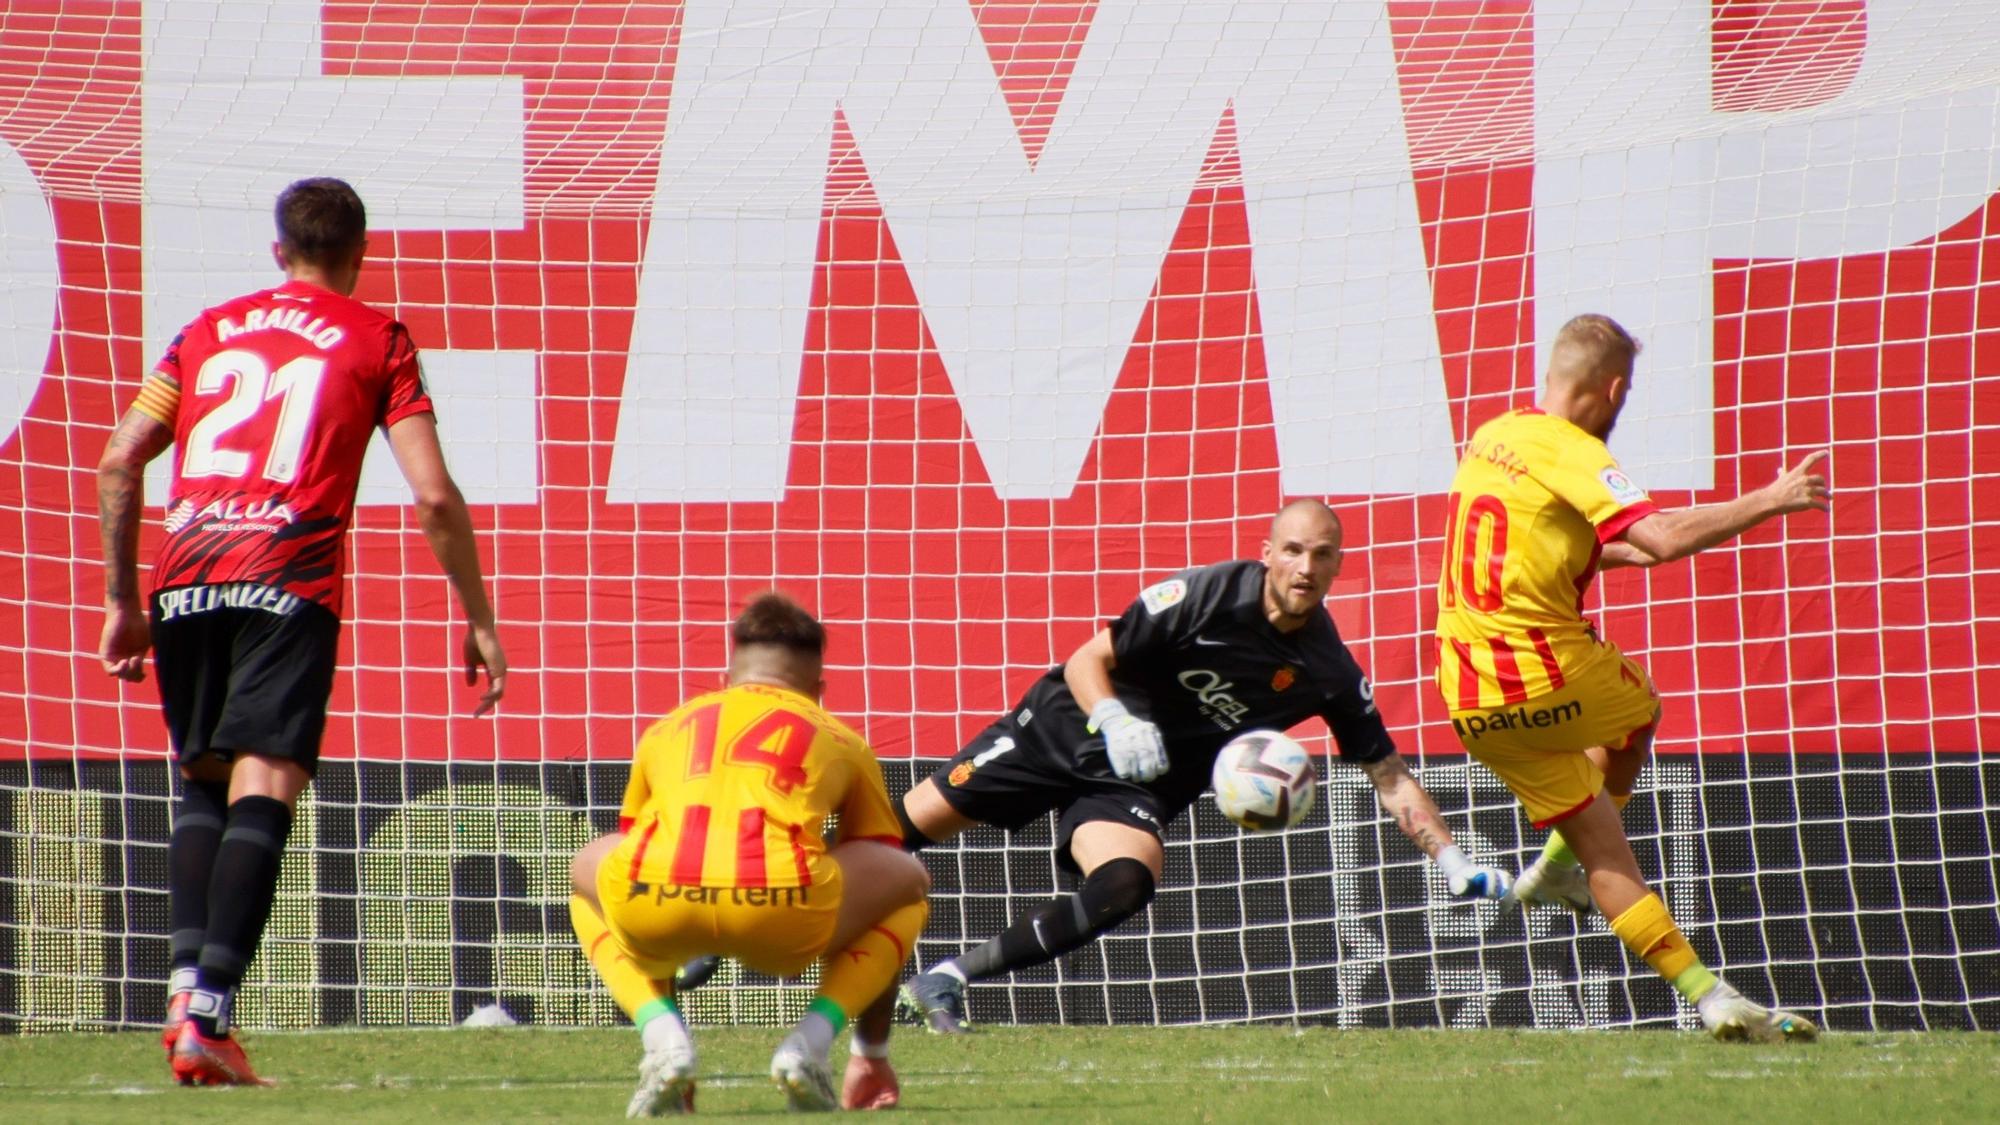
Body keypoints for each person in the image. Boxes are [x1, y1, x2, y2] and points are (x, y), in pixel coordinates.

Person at [95, 177, 507, 1085]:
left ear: (279, 250)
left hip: (188, 574)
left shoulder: (204, 331)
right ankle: (209, 1016)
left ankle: (183, 995)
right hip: (287, 575)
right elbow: (434, 493)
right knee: (267, 781)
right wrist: (479, 617)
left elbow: (121, 457)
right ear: (359, 256)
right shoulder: (377, 335)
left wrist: (125, 600)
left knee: (206, 783)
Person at [891, 499, 1513, 1035]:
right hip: (1059, 730)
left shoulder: (1328, 672)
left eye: (1322, 555)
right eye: (1293, 550)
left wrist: (1451, 860)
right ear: (1267, 552)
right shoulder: (1205, 595)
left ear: (1338, 567)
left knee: (1126, 882)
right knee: (893, 837)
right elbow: (1087, 659)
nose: (1305, 567)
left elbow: (1390, 774)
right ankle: (801, 936)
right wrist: (1114, 719)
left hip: (1135, 783)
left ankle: (944, 980)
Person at [1434, 312, 1827, 1042]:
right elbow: (1661, 540)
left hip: (1467, 700)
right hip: (1543, 677)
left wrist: (1638, 540)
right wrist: (1770, 499)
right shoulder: (1577, 452)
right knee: (1640, 710)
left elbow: (1577, 547)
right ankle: (1556, 867)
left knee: (1600, 844)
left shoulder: (1494, 436)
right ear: (1614, 388)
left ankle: (1707, 995)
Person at [569, 592, 931, 1115]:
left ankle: (663, 1038)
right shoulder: (842, 738)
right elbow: (875, 855)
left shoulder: (666, 728)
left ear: (725, 680)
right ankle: (815, 1045)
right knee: (907, 885)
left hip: (655, 904)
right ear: (818, 690)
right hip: (784, 914)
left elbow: (637, 838)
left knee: (592, 875)